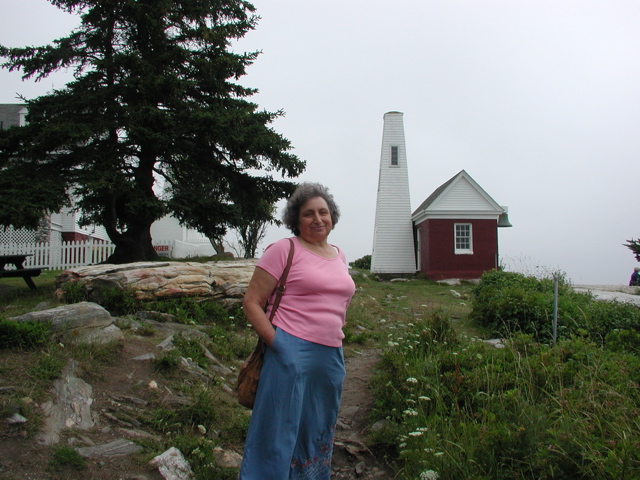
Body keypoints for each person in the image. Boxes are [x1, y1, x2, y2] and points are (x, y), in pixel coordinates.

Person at [238, 182, 356, 480]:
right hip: (290, 350)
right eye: (308, 214)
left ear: (332, 217)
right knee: (277, 429)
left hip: (330, 356)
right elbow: (252, 301)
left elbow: (337, 300)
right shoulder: (284, 250)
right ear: (296, 219)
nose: (317, 219)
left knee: (317, 428)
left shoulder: (339, 255)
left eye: (323, 212)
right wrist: (279, 342)